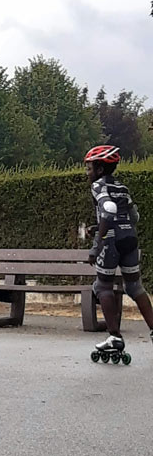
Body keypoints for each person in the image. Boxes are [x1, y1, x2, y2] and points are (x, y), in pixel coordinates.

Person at [85, 145, 153, 359]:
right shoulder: (122, 188)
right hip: (129, 238)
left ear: (100, 168)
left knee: (102, 286)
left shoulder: (98, 186)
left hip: (112, 242)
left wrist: (97, 245)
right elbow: (134, 217)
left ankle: (114, 336)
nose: (87, 173)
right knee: (134, 286)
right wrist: (101, 226)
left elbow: (109, 210)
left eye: (89, 168)